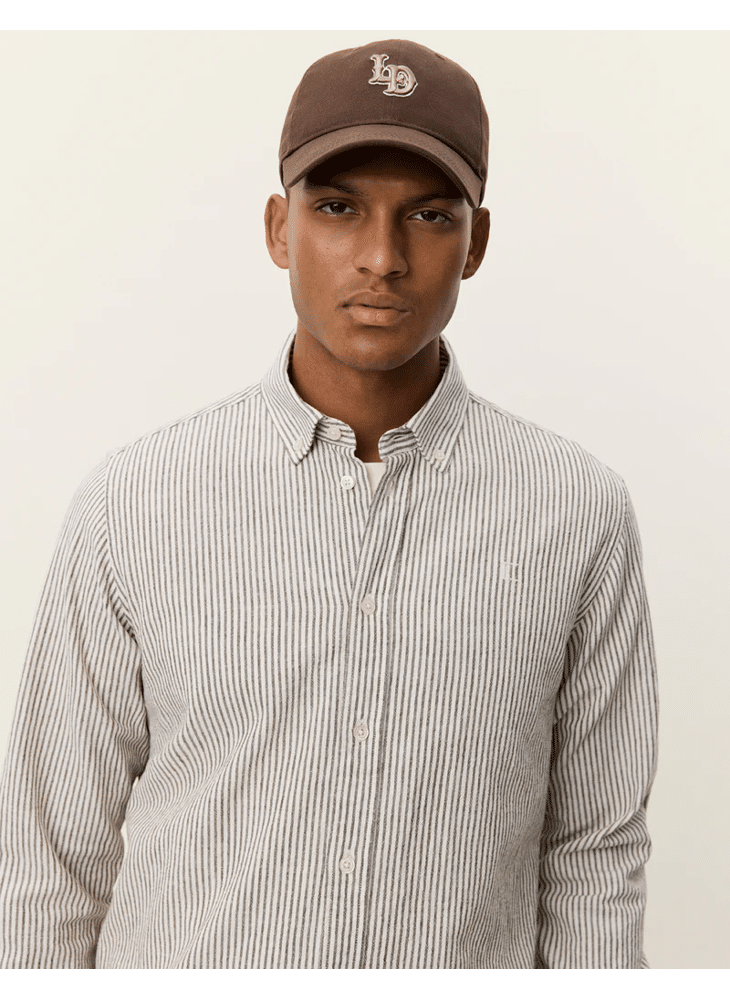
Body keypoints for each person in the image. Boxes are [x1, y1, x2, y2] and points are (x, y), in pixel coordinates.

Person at [0, 38, 658, 969]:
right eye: (338, 208)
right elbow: (46, 863)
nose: (382, 258)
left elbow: (595, 855)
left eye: (428, 215)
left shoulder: (578, 513)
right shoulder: (136, 503)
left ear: (476, 244)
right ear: (280, 228)